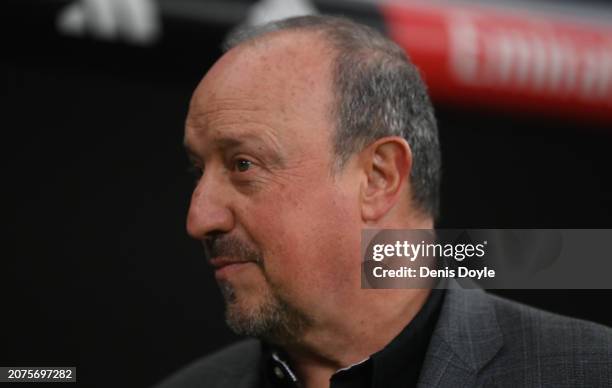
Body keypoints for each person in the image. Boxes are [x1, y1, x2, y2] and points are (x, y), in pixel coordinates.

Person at [155, 15, 612, 388]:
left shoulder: (589, 372)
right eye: (199, 170)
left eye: (243, 165)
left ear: (378, 177)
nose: (199, 218)